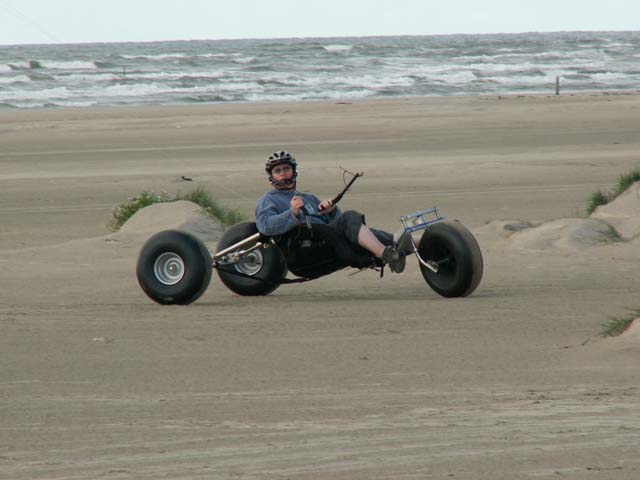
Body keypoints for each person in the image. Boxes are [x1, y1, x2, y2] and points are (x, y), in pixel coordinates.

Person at [255, 150, 408, 273]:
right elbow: (265, 226)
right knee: (349, 217)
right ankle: (386, 254)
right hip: (305, 251)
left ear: (293, 171)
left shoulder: (308, 198)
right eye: (277, 170)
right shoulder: (268, 200)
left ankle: (421, 244)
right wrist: (292, 213)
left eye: (286, 168)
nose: (282, 173)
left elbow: (347, 227)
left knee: (375, 234)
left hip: (330, 242)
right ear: (272, 176)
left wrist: (332, 211)